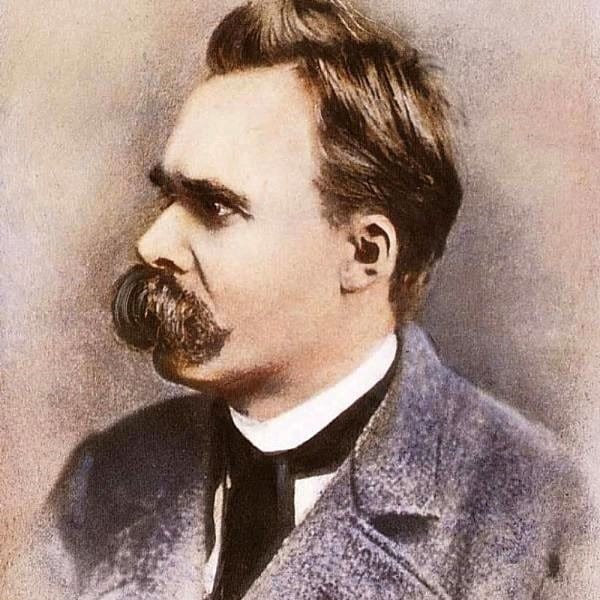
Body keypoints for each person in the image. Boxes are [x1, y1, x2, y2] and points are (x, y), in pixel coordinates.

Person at [4, 1, 592, 598]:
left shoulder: (544, 518)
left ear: (364, 254)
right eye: (168, 199)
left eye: (214, 207)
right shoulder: (103, 480)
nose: (152, 243)